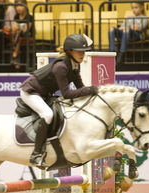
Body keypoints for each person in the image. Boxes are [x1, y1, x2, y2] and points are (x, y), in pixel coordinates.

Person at [19, 34, 99, 167]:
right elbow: (67, 94)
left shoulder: (74, 66)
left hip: (44, 94)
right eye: (79, 51)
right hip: (31, 92)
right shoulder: (61, 67)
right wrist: (90, 90)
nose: (82, 54)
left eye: (84, 51)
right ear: (69, 51)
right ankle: (36, 154)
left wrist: (93, 96)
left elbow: (81, 88)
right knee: (47, 114)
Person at [11, 0, 33, 70]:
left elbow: (26, 29)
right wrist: (17, 29)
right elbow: (13, 29)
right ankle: (16, 53)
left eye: (20, 6)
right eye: (17, 6)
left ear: (25, 6)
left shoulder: (30, 17)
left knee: (20, 34)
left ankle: (15, 54)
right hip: (17, 37)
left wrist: (18, 28)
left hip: (28, 36)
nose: (18, 8)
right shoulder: (16, 16)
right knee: (17, 34)